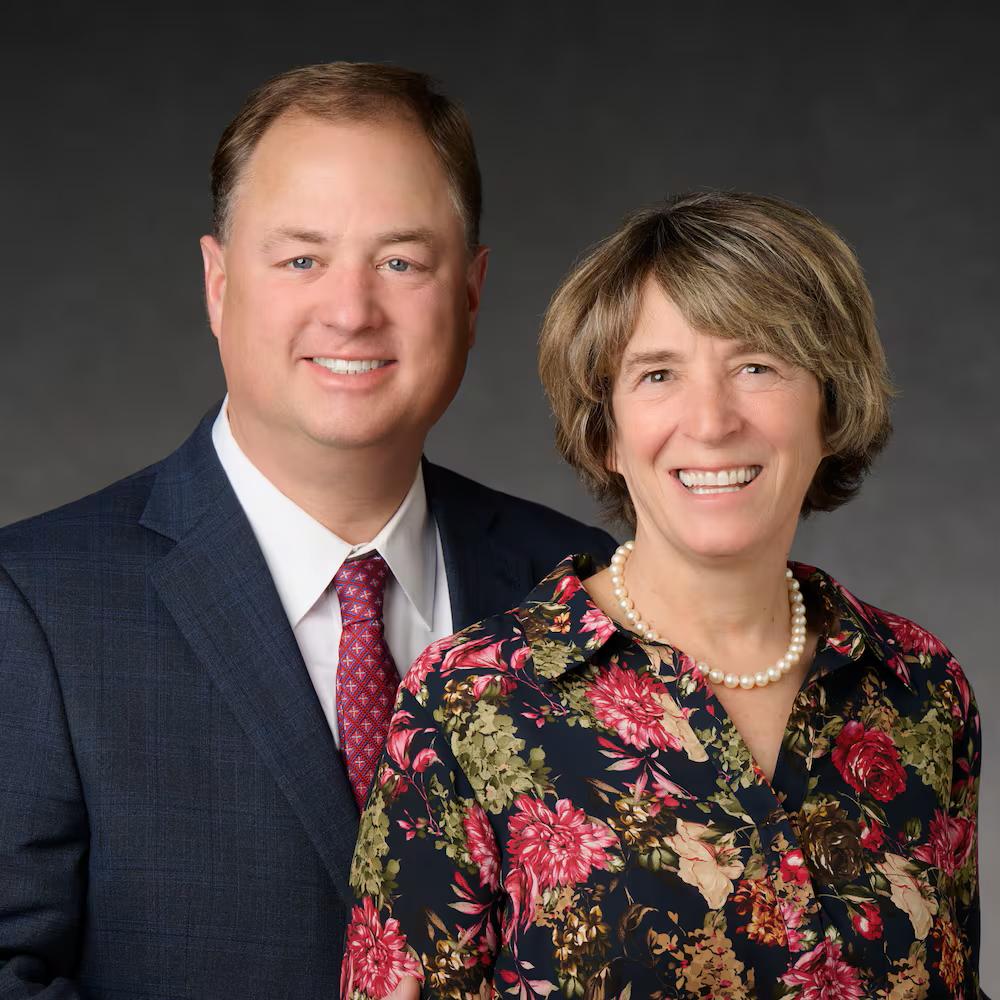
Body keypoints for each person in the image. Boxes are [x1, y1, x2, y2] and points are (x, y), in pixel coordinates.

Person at [0, 63, 615, 999]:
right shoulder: (35, 605)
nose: (351, 310)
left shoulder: (582, 587)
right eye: (301, 259)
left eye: (401, 261)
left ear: (474, 293)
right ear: (216, 284)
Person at [343, 192, 982, 999]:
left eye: (757, 366)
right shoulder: (473, 701)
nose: (711, 421)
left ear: (831, 403)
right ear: (606, 430)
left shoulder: (921, 686)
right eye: (658, 374)